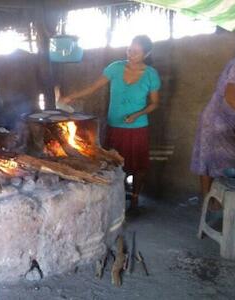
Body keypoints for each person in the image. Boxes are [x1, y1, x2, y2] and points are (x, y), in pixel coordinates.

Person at [60, 35, 161, 211]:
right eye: (129, 50)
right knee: (113, 163)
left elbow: (154, 103)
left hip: (137, 128)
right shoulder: (115, 68)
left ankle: (135, 199)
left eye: (136, 52)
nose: (130, 54)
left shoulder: (151, 75)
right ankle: (117, 197)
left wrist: (138, 114)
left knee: (138, 166)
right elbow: (93, 87)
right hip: (116, 126)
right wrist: (71, 97)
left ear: (147, 53)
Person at [191, 39, 235, 198]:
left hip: (231, 122)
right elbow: (231, 96)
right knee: (219, 162)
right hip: (217, 119)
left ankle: (213, 205)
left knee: (215, 161)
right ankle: (211, 204)